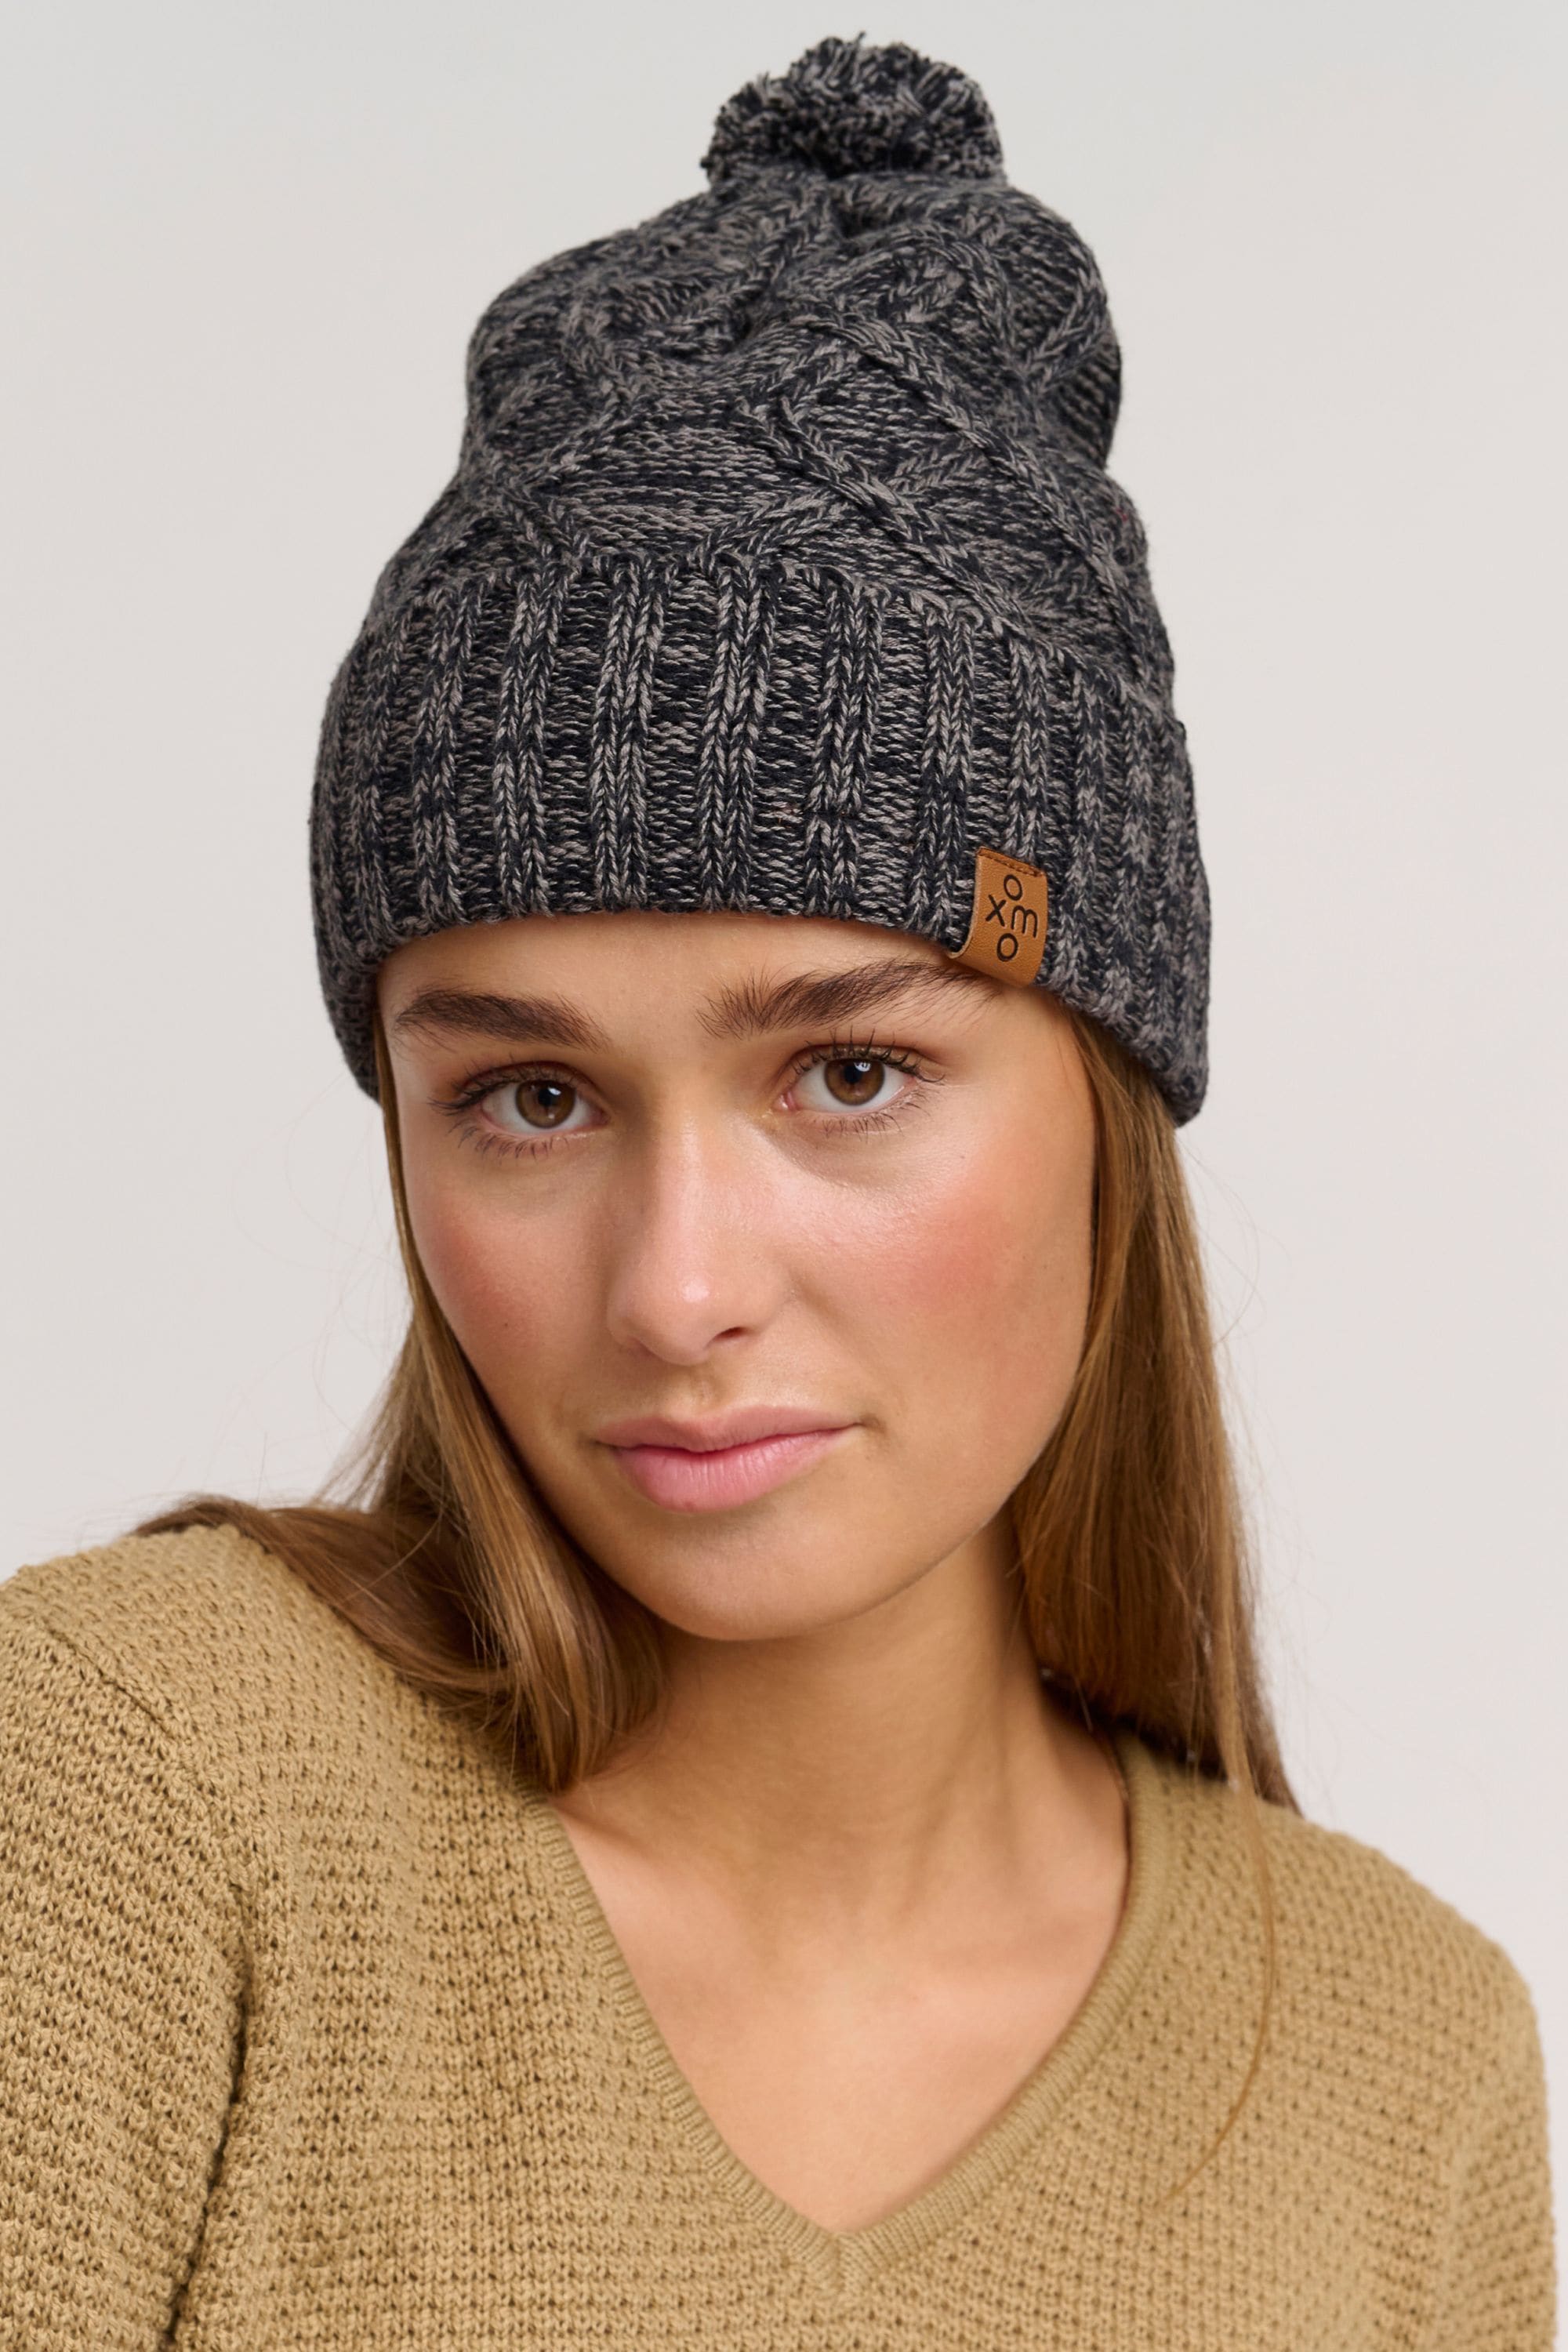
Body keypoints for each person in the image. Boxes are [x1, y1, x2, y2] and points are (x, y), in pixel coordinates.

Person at [0, 34, 1553, 2349]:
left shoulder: (1400, 2065)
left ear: (1107, 1088)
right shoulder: (122, 1799)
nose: (678, 1288)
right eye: (530, 1098)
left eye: (849, 1072)